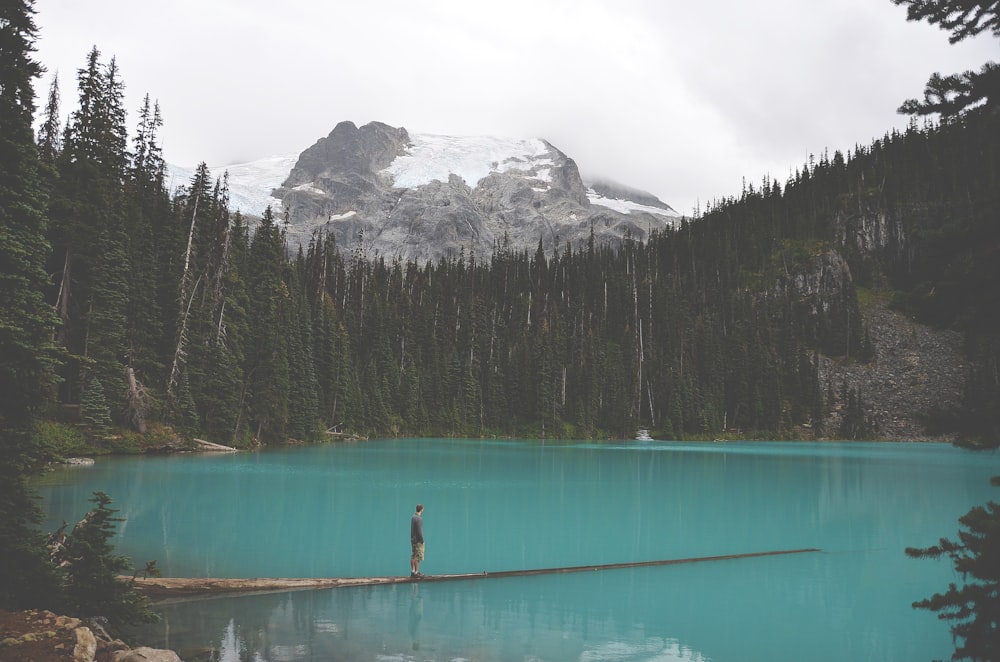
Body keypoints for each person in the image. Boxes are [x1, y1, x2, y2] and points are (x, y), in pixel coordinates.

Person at [410, 504, 425, 578]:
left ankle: (413, 571)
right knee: (417, 557)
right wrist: (422, 540)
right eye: (423, 509)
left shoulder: (413, 517)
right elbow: (419, 531)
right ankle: (416, 572)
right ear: (421, 509)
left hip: (413, 539)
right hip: (418, 540)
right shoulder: (419, 519)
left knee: (413, 556)